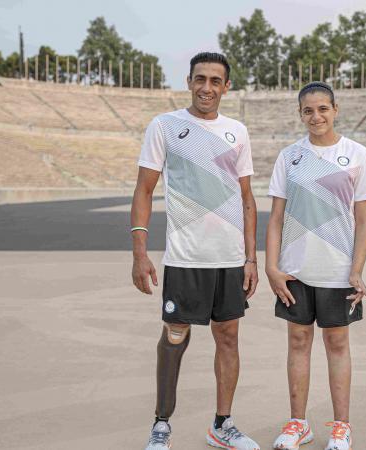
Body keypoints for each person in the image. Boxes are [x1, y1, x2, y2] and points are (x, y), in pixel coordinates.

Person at [131, 52, 260, 450]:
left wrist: (251, 258)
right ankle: (161, 425)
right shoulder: (165, 126)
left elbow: (246, 198)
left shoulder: (237, 131)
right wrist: (139, 251)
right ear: (188, 81)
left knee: (228, 338)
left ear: (226, 87)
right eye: (200, 79)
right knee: (175, 334)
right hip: (185, 257)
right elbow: (144, 190)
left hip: (229, 258)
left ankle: (222, 424)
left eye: (215, 81)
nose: (207, 87)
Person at [265, 81, 366, 450]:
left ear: (335, 109)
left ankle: (341, 427)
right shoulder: (289, 157)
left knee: (337, 343)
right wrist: (271, 266)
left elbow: (364, 220)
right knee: (297, 342)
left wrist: (357, 269)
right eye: (308, 110)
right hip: (295, 269)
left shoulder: (357, 155)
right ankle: (298, 423)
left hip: (337, 269)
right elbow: (276, 217)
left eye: (323, 109)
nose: (316, 116)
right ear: (300, 114)